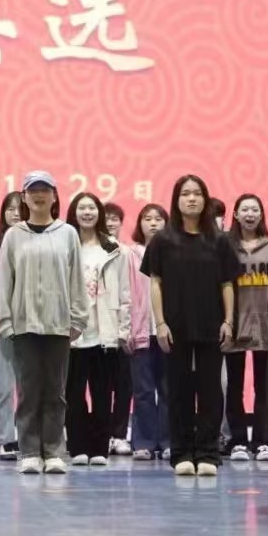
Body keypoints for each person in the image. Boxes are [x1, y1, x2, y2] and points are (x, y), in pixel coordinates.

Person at [142, 175, 238, 479]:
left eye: (197, 193)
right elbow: (155, 283)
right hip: (175, 326)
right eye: (186, 193)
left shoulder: (219, 240)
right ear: (177, 199)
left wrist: (229, 321)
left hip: (212, 324)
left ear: (205, 199)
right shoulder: (163, 240)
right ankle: (181, 452)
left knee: (211, 390)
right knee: (178, 391)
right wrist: (160, 323)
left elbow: (227, 284)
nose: (192, 198)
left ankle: (208, 452)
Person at [0, 171, 87, 475]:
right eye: (33, 190)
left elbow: (76, 279)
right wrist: (5, 322)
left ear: (55, 196)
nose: (39, 195)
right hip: (23, 326)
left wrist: (78, 319)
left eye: (45, 190)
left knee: (56, 392)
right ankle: (30, 451)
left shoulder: (67, 233)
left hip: (59, 325)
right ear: (24, 197)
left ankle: (54, 451)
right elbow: (4, 281)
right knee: (29, 390)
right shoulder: (14, 235)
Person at [64, 192, 131, 468]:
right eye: (82, 208)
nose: (87, 212)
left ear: (99, 213)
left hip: (104, 330)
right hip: (72, 333)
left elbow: (124, 292)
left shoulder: (114, 248)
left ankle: (100, 447)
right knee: (73, 394)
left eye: (92, 207)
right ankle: (78, 446)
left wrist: (123, 329)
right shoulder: (65, 244)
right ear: (73, 213)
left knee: (103, 393)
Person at [225, 194, 268, 462]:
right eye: (244, 209)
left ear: (261, 214)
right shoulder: (226, 246)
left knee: (264, 386)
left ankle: (263, 441)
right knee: (234, 386)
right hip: (234, 323)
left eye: (255, 209)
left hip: (266, 323)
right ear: (235, 214)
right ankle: (237, 442)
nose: (250, 214)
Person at [0, 191, 27, 460]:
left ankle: (27, 436)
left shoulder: (35, 242)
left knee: (28, 386)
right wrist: (2, 312)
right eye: (10, 209)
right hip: (0, 324)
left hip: (30, 325)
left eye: (19, 208)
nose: (15, 213)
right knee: (1, 386)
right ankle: (5, 439)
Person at [125, 204, 170, 460]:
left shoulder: (174, 251)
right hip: (140, 330)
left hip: (167, 331)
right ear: (139, 224)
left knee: (169, 389)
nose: (153, 223)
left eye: (158, 218)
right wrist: (126, 328)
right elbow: (125, 292)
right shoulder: (130, 254)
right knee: (142, 390)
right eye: (147, 218)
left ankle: (169, 441)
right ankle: (143, 442)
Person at [100, 201, 135, 457]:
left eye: (115, 218)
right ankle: (102, 435)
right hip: (97, 329)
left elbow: (128, 292)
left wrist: (126, 327)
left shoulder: (126, 253)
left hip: (121, 326)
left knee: (124, 385)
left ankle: (120, 435)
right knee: (101, 386)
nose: (111, 222)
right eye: (107, 218)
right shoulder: (87, 250)